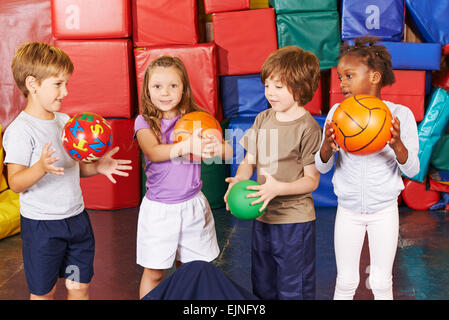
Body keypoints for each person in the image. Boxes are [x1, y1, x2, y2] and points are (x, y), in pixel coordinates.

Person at [3, 42, 132, 300]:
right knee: (44, 292)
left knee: (79, 287)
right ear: (33, 84)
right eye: (58, 84)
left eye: (67, 84)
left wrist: (96, 167)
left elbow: (73, 170)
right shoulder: (21, 130)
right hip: (42, 228)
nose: (65, 92)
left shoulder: (65, 122)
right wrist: (40, 167)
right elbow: (15, 183)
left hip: (76, 221)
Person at [315, 36, 420, 300]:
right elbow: (321, 167)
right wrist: (327, 147)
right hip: (348, 210)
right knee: (346, 280)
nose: (342, 83)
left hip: (384, 211)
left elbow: (413, 169)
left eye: (349, 75)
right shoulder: (337, 113)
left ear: (374, 77)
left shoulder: (400, 115)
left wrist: (397, 146)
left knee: (382, 281)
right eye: (340, 77)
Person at [224, 46, 322, 300]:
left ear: (300, 89)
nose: (270, 93)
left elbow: (312, 180)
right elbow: (249, 160)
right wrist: (240, 179)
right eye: (267, 85)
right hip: (263, 217)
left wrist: (279, 188)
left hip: (294, 222)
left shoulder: (308, 128)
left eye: (279, 87)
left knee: (293, 288)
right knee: (264, 285)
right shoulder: (263, 118)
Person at [134, 56, 233, 298]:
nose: (165, 93)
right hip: (159, 210)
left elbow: (228, 151)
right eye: (157, 86)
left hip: (192, 206)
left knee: (191, 271)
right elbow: (154, 152)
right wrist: (187, 146)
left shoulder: (198, 120)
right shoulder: (144, 121)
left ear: (184, 88)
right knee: (155, 273)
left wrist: (212, 147)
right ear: (147, 89)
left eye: (173, 86)